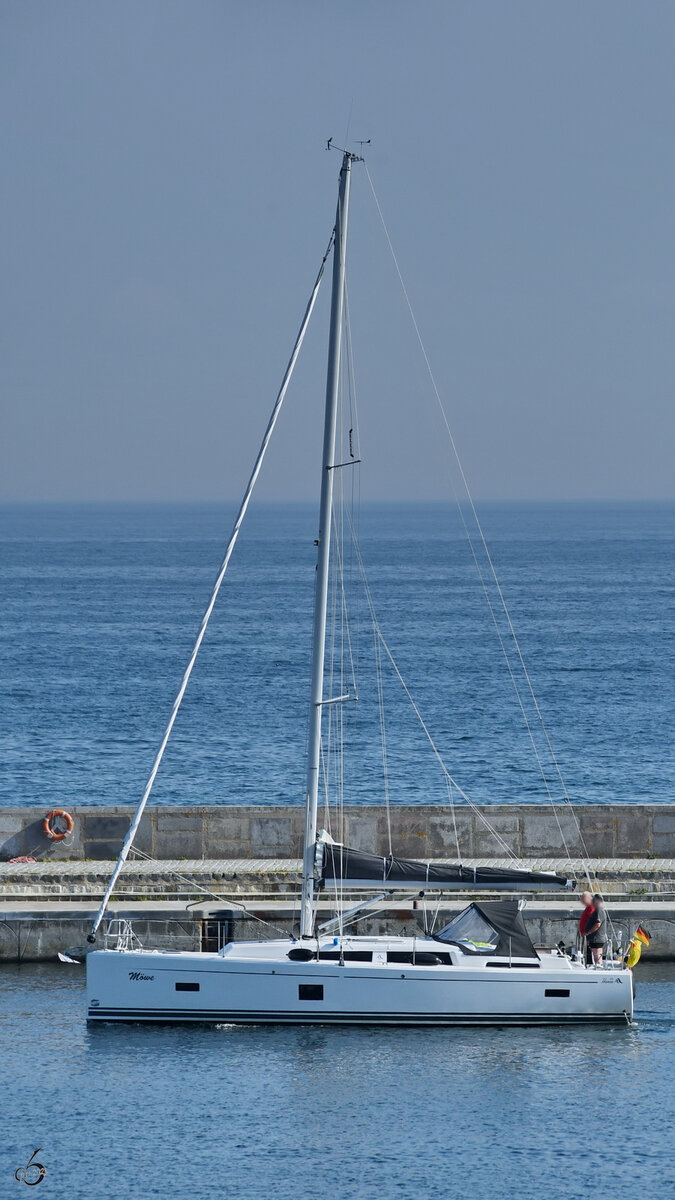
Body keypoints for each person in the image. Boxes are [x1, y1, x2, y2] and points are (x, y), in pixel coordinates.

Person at [584, 894, 606, 965]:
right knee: (596, 956)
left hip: (596, 939)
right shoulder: (599, 910)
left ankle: (599, 970)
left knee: (597, 957)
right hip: (596, 938)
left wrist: (588, 933)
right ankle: (598, 968)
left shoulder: (598, 910)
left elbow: (597, 924)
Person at [578, 890, 594, 964]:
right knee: (586, 953)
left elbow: (592, 923)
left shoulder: (591, 908)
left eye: (583, 898)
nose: (581, 900)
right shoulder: (588, 908)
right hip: (585, 936)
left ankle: (590, 965)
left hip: (589, 937)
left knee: (589, 954)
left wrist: (589, 936)